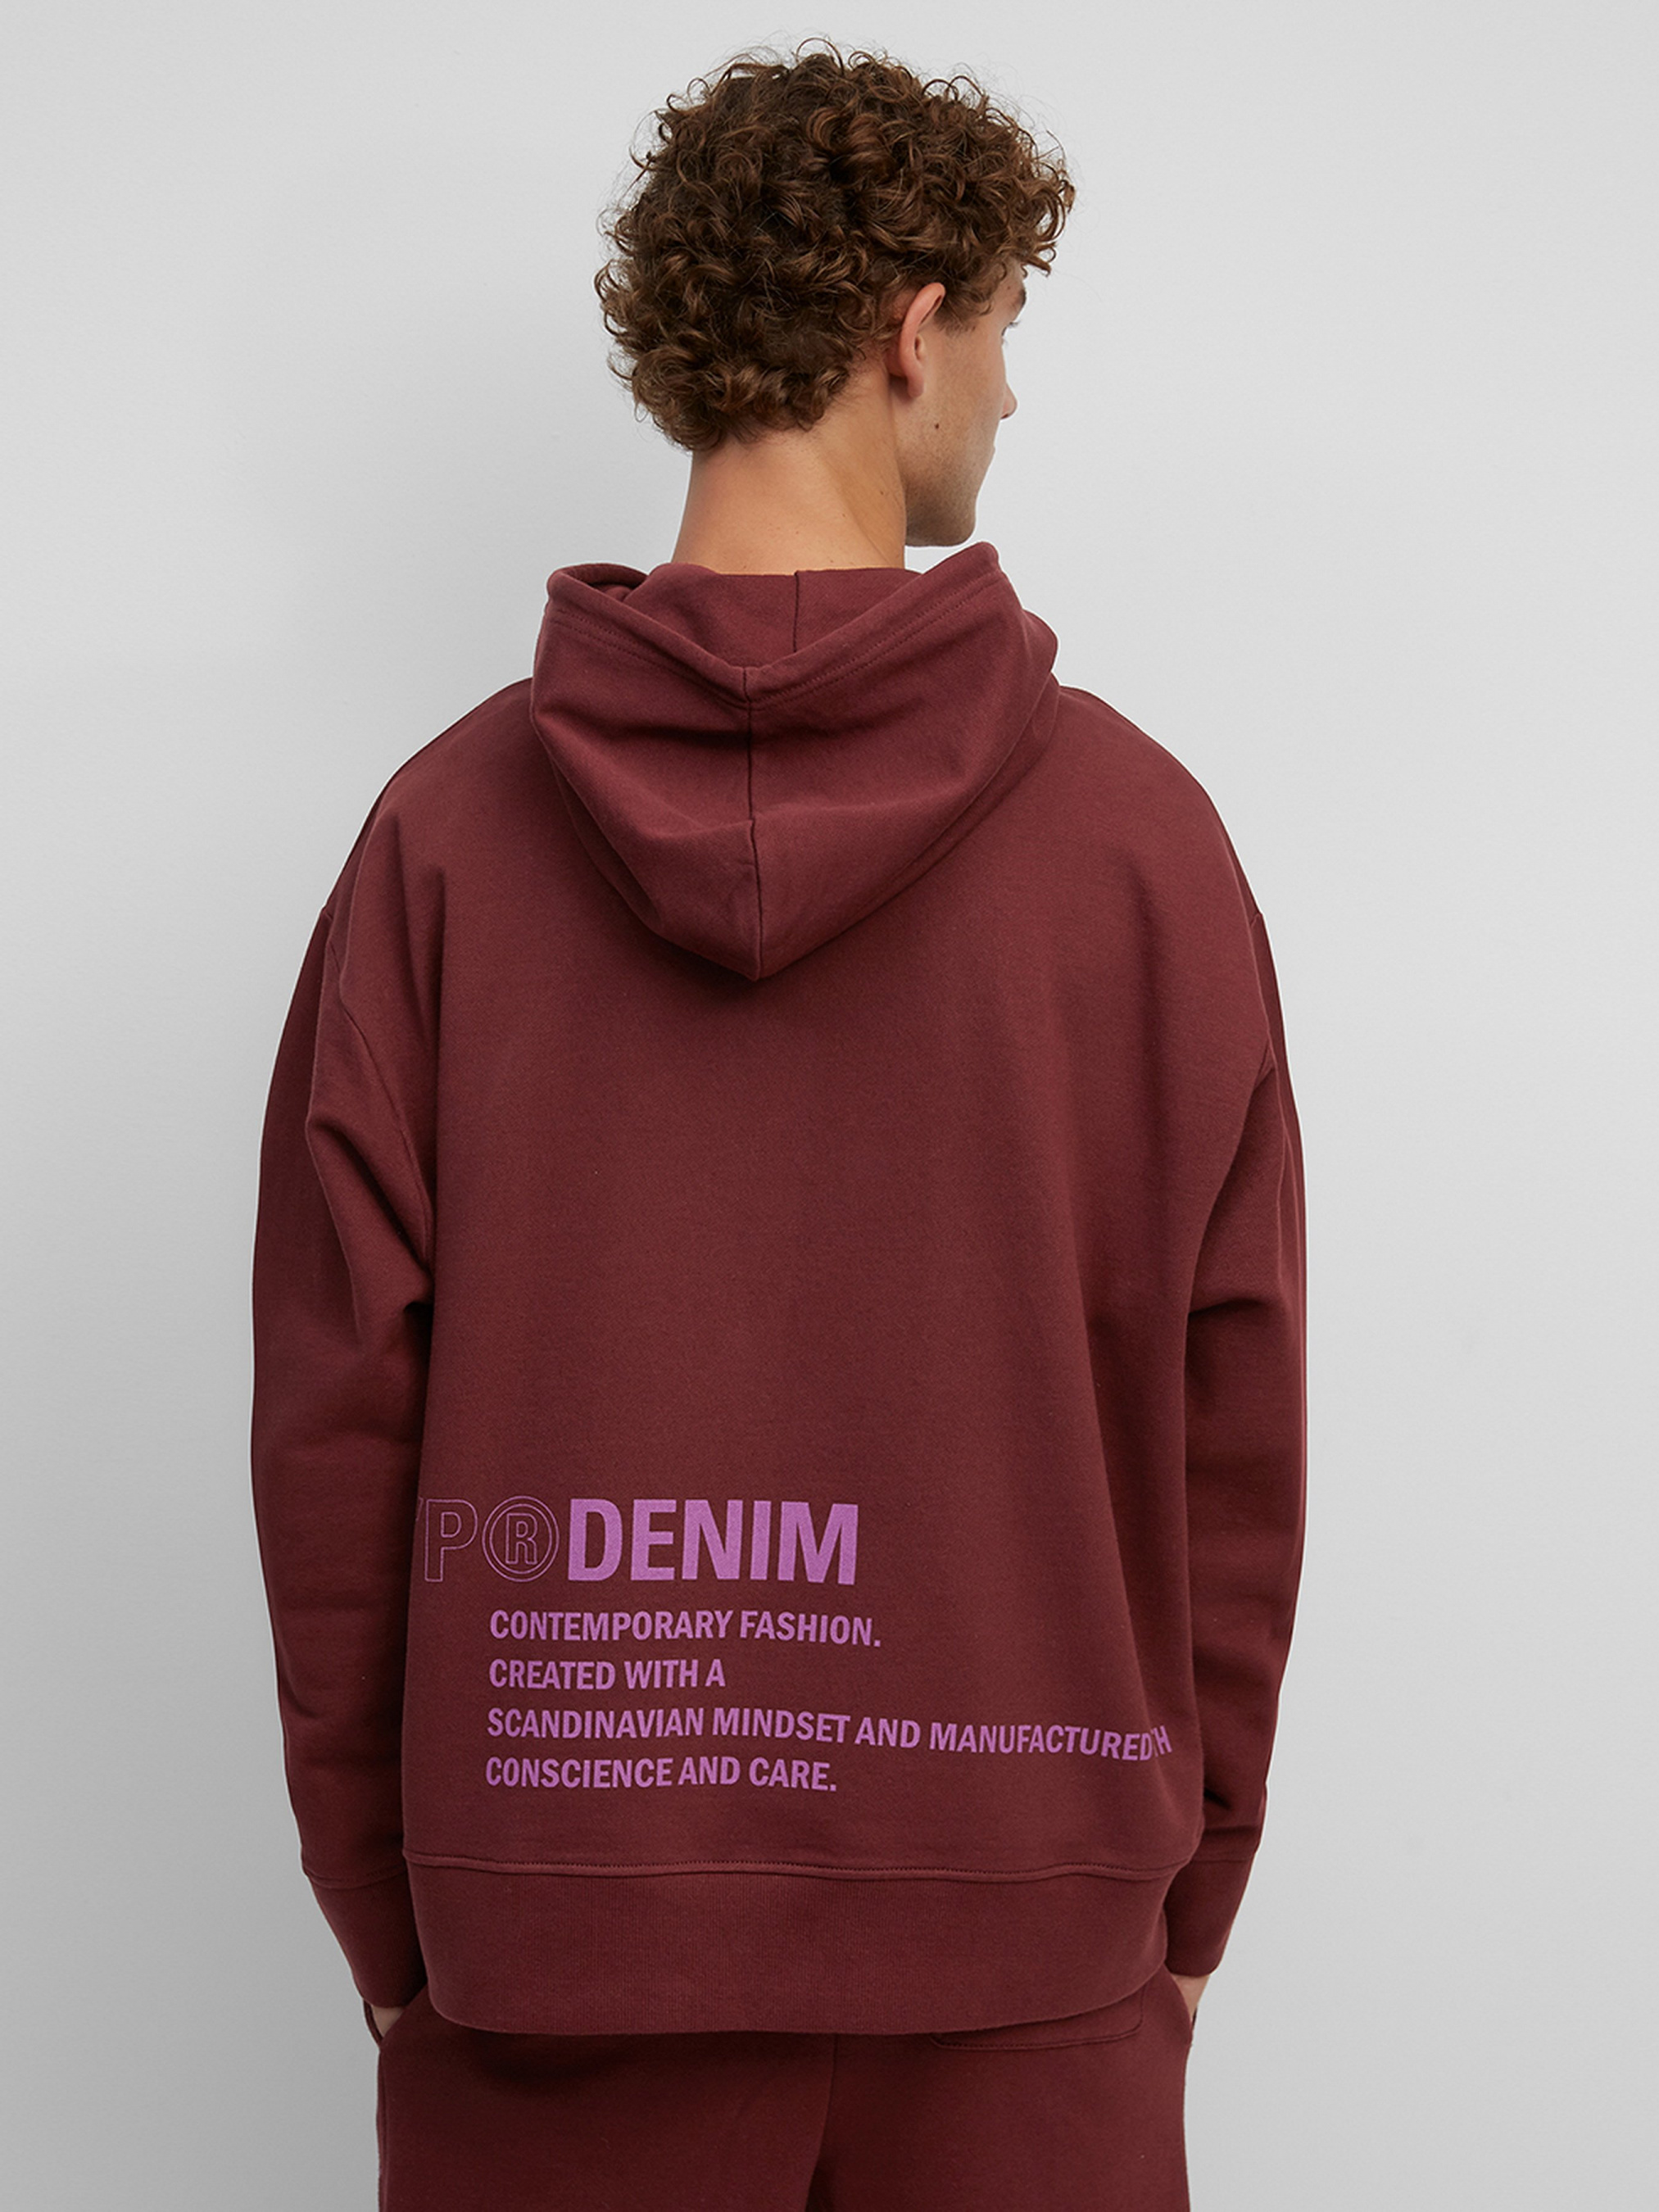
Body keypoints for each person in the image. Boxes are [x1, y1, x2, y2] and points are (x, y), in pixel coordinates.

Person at [251, 43, 1305, 2212]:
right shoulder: (1139, 844)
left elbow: (336, 1417)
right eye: (998, 329)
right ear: (909, 333)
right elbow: (1235, 1404)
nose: (1008, 394)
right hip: (1029, 1958)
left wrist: (407, 1917)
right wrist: (1181, 1892)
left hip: (562, 1951)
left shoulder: (440, 842)